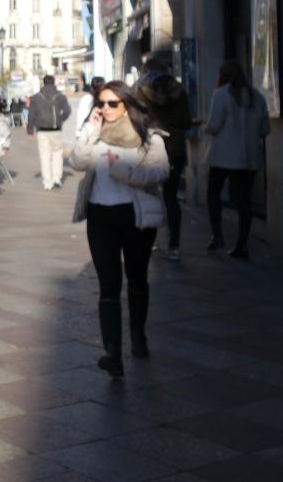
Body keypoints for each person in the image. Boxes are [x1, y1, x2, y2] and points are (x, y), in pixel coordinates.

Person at [67, 81, 168, 379]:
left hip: (135, 216)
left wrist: (123, 171)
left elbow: (160, 172)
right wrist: (89, 129)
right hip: (100, 216)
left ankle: (138, 335)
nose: (106, 109)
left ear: (127, 104)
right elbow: (77, 162)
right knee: (108, 284)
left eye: (113, 103)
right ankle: (113, 354)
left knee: (137, 278)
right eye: (102, 103)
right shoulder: (95, 132)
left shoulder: (147, 135)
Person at [204, 60, 270, 260]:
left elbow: (214, 125)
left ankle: (217, 236)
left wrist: (204, 126)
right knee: (244, 200)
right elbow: (265, 129)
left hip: (223, 156)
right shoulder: (257, 97)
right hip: (249, 157)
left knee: (213, 194)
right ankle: (242, 245)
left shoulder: (221, 94)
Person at [136, 61, 193, 260]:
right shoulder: (180, 91)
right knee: (171, 197)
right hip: (175, 149)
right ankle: (174, 245)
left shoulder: (140, 91)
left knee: (148, 195)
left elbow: (135, 120)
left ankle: (148, 241)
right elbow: (186, 122)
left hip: (150, 147)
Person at [27, 75, 72, 191]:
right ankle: (57, 179)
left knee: (45, 156)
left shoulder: (36, 97)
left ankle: (48, 182)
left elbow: (31, 115)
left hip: (42, 130)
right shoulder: (60, 96)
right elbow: (67, 111)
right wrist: (60, 120)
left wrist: (30, 131)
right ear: (54, 83)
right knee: (57, 154)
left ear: (43, 83)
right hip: (56, 130)